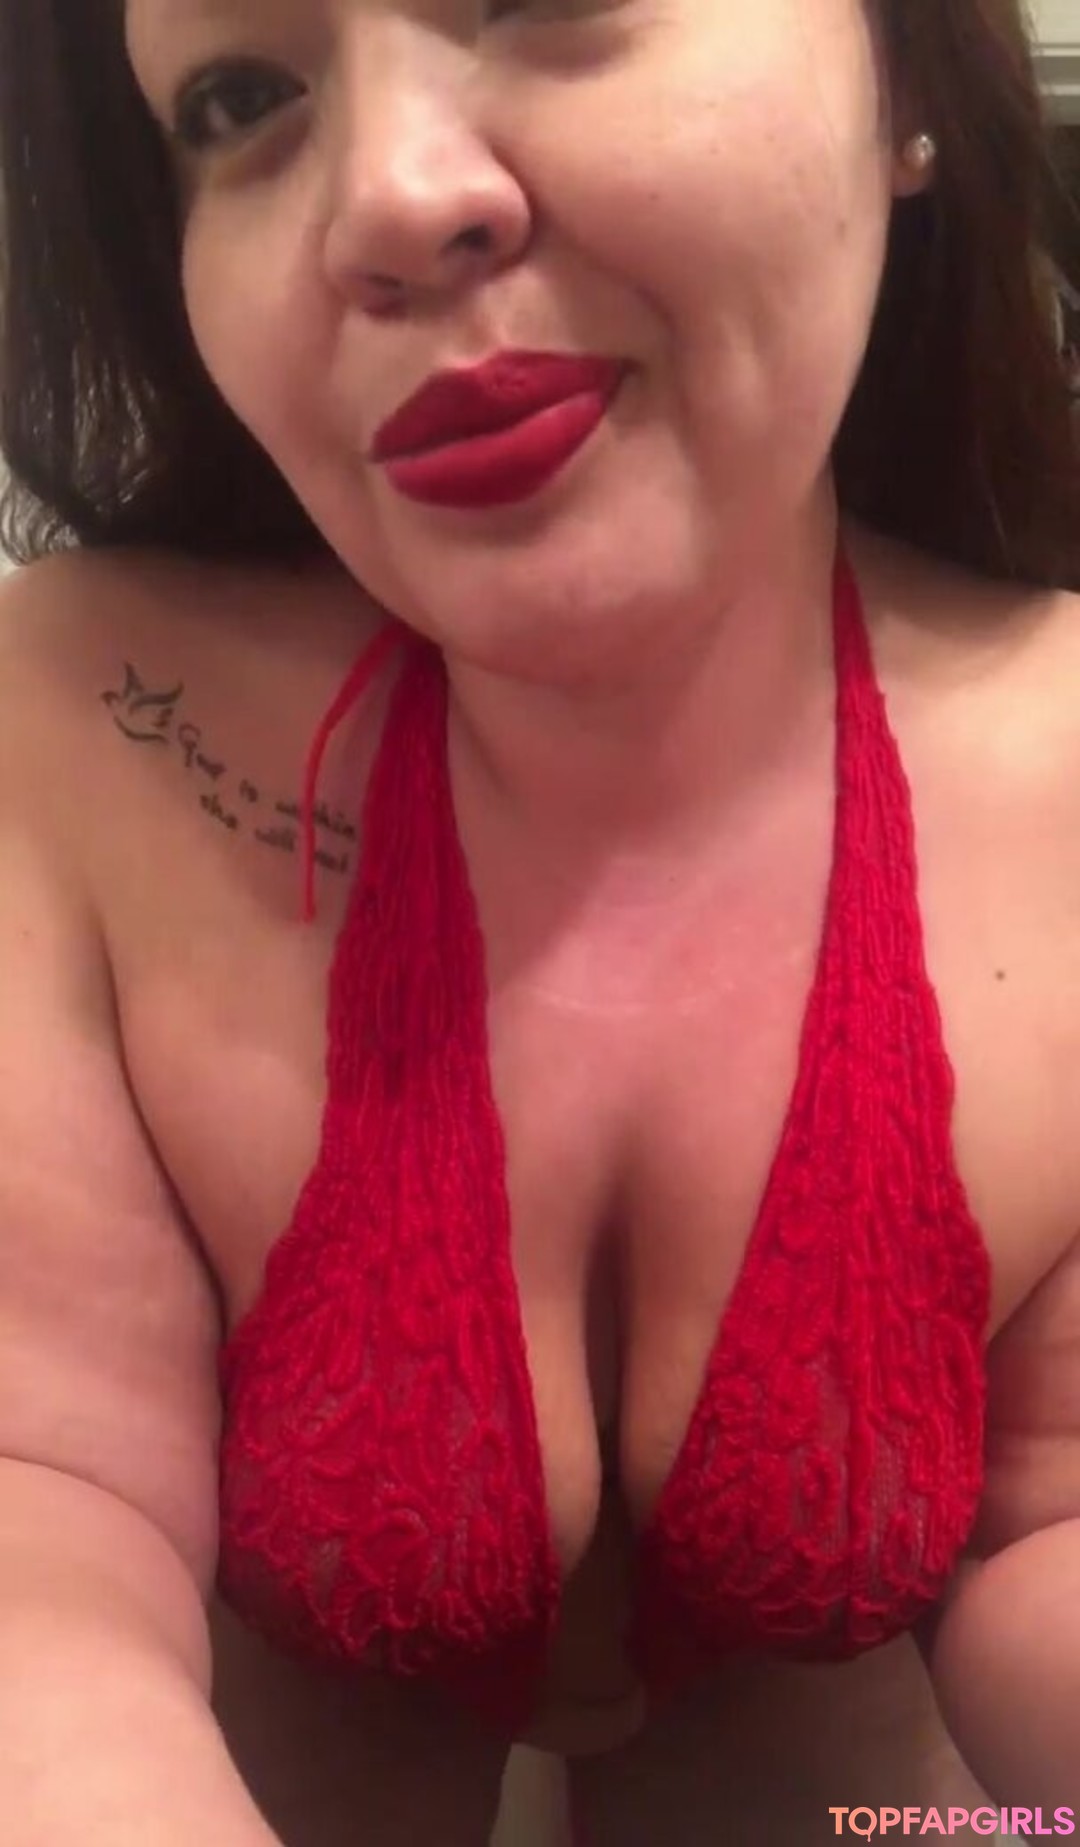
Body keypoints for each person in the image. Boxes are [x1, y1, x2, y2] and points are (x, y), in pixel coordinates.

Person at [2, 2, 1080, 1843]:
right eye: (241, 99)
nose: (387, 197)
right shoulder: (77, 733)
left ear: (901, 73)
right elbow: (44, 1519)